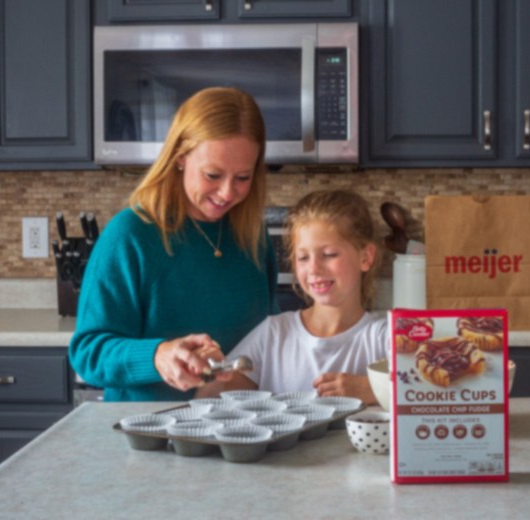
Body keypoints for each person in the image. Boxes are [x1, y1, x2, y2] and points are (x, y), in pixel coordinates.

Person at [69, 87, 279, 402]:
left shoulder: (252, 236)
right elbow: (88, 352)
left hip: (239, 433)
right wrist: (158, 356)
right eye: (212, 174)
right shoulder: (130, 235)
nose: (226, 193)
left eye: (243, 178)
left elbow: (269, 340)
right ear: (180, 157)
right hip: (148, 436)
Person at [200, 189, 388, 404]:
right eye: (303, 257)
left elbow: (428, 395)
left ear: (366, 257)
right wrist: (207, 372)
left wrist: (374, 390)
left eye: (329, 255)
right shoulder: (274, 334)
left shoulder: (383, 338)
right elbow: (211, 398)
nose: (314, 268)